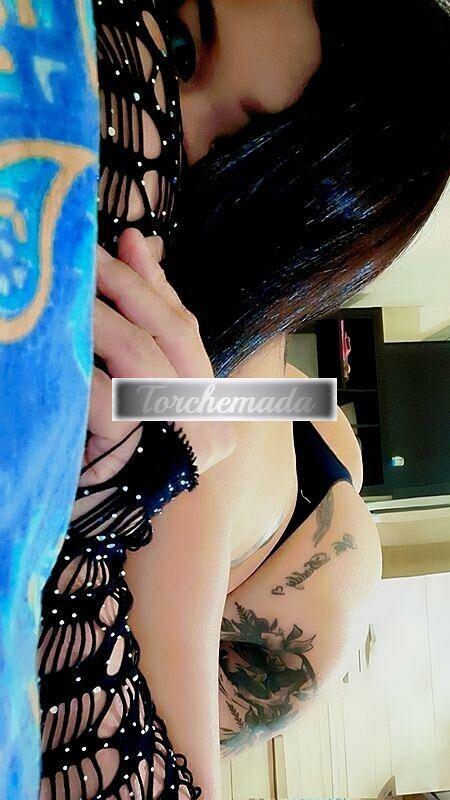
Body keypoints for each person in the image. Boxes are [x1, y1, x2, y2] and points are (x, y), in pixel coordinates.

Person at [39, 0, 450, 798]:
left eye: (237, 147)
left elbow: (150, 771)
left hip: (293, 551)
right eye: (177, 43)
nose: (159, 104)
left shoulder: (185, 397)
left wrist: (129, 499)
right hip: (315, 456)